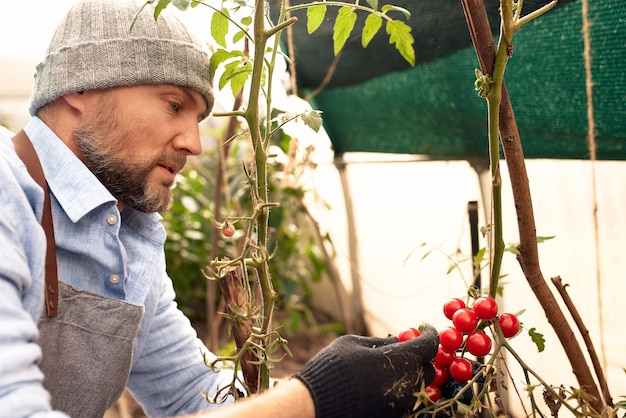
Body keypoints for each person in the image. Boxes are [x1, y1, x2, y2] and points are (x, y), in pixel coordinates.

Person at [0, 0, 438, 417]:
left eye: (199, 120)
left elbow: (190, 389)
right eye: (174, 105)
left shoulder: (129, 238)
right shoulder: (7, 190)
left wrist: (358, 387)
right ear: (82, 85)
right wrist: (316, 399)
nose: (193, 142)